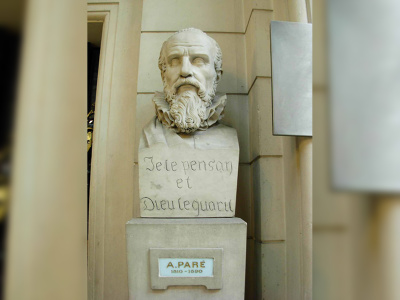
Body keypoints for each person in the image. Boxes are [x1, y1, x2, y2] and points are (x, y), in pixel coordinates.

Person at [140, 28, 238, 150]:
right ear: (163, 75)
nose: (185, 71)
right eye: (175, 61)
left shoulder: (228, 139)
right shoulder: (149, 136)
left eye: (199, 61)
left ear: (217, 76)